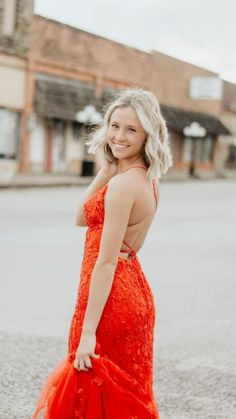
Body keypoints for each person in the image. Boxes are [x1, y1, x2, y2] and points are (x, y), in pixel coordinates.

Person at [32, 88, 173, 418]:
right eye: (114, 125)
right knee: (123, 391)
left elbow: (106, 261)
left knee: (92, 390)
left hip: (109, 298)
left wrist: (88, 333)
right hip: (131, 289)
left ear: (147, 135)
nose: (118, 136)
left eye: (131, 129)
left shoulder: (125, 186)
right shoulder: (142, 179)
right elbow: (81, 217)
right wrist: (106, 171)